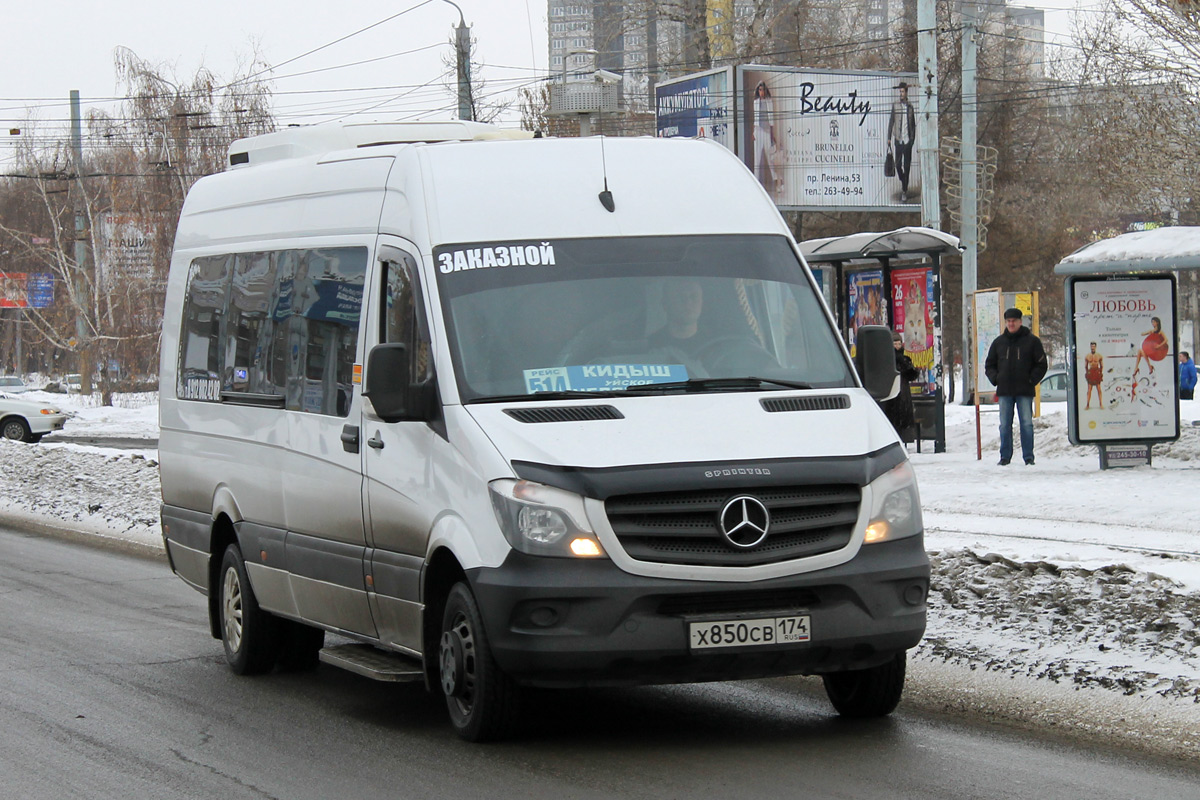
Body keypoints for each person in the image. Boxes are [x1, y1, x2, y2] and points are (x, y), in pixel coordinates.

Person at [984, 308, 1047, 466]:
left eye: (1014, 321)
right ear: (1006, 323)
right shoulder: (999, 342)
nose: (1011, 324)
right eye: (1008, 321)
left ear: (1020, 321)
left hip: (1024, 390)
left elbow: (1041, 364)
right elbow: (989, 364)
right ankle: (1005, 457)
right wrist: (996, 379)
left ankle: (1028, 457)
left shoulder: (1032, 341)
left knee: (1026, 423)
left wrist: (1031, 380)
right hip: (1005, 391)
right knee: (1004, 425)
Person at [648, 278, 706, 356]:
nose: (688, 302)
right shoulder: (650, 347)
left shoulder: (716, 344)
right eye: (680, 296)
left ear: (702, 302)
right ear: (665, 304)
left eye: (694, 296)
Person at [881, 330, 919, 440]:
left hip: (903, 394)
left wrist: (906, 364)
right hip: (891, 395)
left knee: (902, 421)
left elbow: (912, 375)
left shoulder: (905, 359)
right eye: (894, 344)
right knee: (892, 420)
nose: (897, 347)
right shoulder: (886, 360)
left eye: (899, 344)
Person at [886, 81, 917, 201]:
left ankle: (904, 190)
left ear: (906, 92)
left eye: (903, 91)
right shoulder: (896, 105)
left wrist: (912, 139)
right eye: (900, 92)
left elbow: (913, 125)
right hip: (898, 139)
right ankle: (903, 179)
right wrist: (889, 137)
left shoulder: (910, 107)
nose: (901, 94)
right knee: (898, 165)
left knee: (907, 166)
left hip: (907, 140)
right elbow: (891, 122)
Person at [751, 81, 779, 196]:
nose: (761, 92)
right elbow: (755, 118)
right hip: (758, 130)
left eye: (763, 90)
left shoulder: (769, 102)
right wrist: (753, 132)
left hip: (767, 130)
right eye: (760, 90)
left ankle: (776, 180)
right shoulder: (756, 102)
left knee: (770, 157)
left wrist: (772, 134)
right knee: (757, 158)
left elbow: (771, 119)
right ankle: (756, 182)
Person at [1083, 341, 1104, 410]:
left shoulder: (1099, 356)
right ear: (1090, 347)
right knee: (1089, 389)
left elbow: (1102, 365)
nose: (1092, 348)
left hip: (1096, 371)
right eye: (1091, 346)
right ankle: (1087, 404)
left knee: (1099, 389)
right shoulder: (1087, 356)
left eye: (1094, 346)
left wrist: (1100, 373)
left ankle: (1101, 404)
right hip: (1091, 372)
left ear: (1095, 347)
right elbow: (1086, 366)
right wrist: (1087, 373)